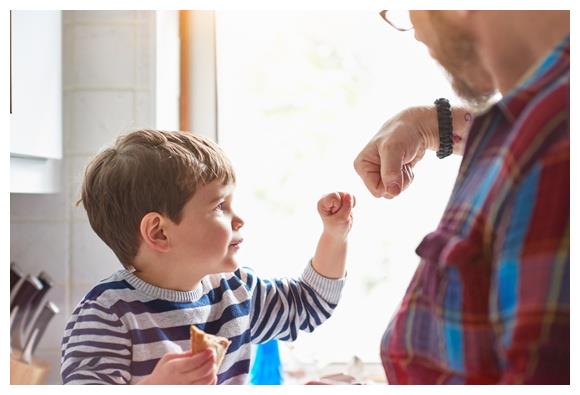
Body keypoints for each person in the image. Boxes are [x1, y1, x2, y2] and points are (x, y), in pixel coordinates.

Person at [354, 11, 569, 384]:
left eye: (406, 10)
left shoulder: (555, 153)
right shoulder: (540, 125)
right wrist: (432, 125)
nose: (417, 35)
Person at [61, 130, 355, 384]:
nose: (238, 219)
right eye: (219, 207)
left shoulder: (235, 292)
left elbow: (309, 303)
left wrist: (334, 236)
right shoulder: (107, 315)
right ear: (160, 233)